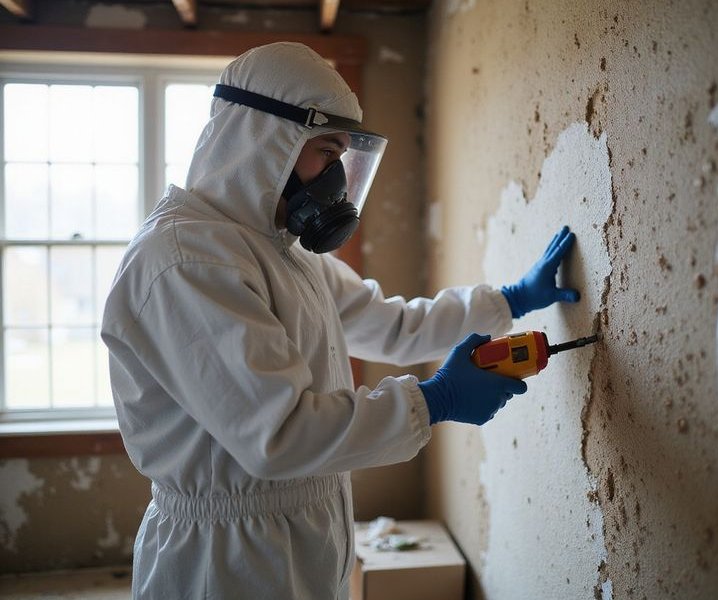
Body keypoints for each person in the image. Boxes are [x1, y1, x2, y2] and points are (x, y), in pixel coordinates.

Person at [101, 42, 581, 599]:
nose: (337, 180)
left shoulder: (282, 252)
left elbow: (392, 326)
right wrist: (435, 401)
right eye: (327, 154)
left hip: (300, 536)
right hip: (224, 561)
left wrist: (509, 302)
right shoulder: (186, 261)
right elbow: (280, 434)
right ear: (265, 140)